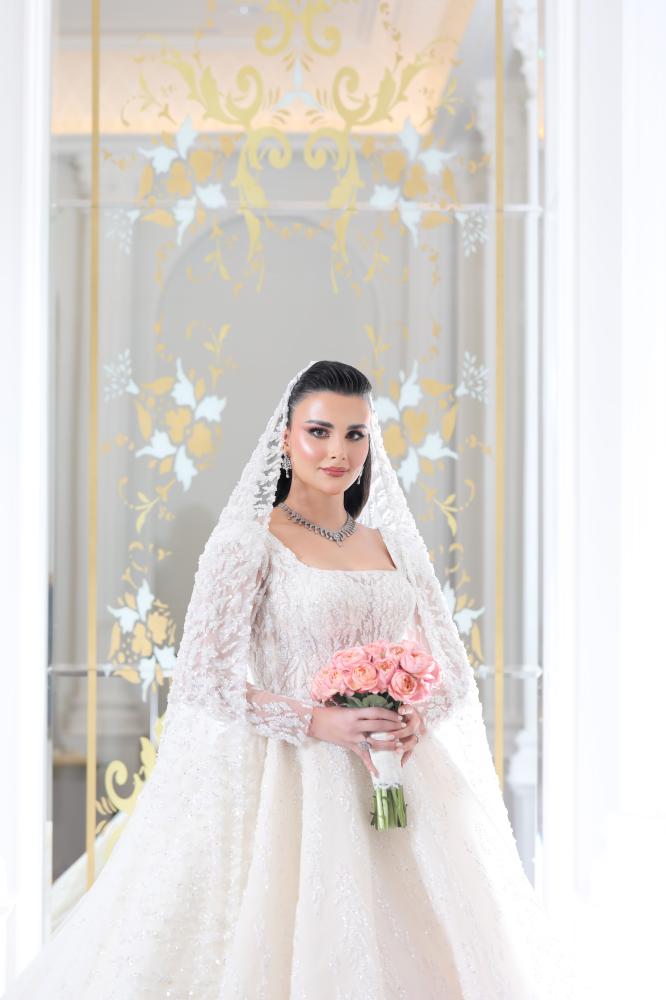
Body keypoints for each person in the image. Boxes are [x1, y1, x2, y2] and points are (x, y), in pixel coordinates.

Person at [5, 360, 576, 999]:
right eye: (319, 432)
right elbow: (204, 678)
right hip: (293, 778)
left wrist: (417, 717)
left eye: (355, 434)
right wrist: (317, 721)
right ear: (286, 437)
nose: (338, 452)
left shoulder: (395, 546)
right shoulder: (249, 542)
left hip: (396, 774)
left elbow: (452, 675)